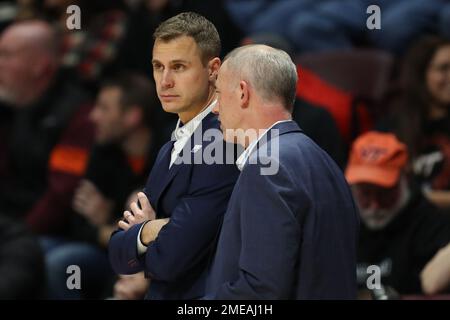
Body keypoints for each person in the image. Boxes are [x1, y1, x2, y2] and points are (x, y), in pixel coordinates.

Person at [206, 44, 359, 299]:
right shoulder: (322, 160)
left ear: (243, 92)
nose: (215, 108)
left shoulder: (267, 167)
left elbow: (261, 291)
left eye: (219, 94)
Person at [108, 12, 240, 300]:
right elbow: (117, 255)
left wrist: (139, 236)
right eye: (158, 67)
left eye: (178, 67)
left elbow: (171, 261)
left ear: (213, 69)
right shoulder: (172, 141)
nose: (165, 81)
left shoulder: (223, 142)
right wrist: (150, 230)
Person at [43, 73, 160, 299]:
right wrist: (116, 228)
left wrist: (107, 223)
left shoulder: (167, 153)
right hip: (106, 254)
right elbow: (78, 224)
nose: (93, 116)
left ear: (132, 116)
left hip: (149, 262)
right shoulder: (103, 151)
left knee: (60, 262)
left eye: (104, 108)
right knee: (61, 263)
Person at [0, 20, 94, 235]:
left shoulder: (79, 116)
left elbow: (61, 195)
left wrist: (18, 238)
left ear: (40, 66)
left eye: (6, 55)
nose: (0, 64)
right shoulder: (12, 105)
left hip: (49, 234)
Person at [345, 131, 450, 297]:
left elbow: (432, 286)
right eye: (365, 194)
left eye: (384, 193)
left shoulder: (430, 224)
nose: (374, 205)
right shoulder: (339, 223)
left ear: (405, 180)